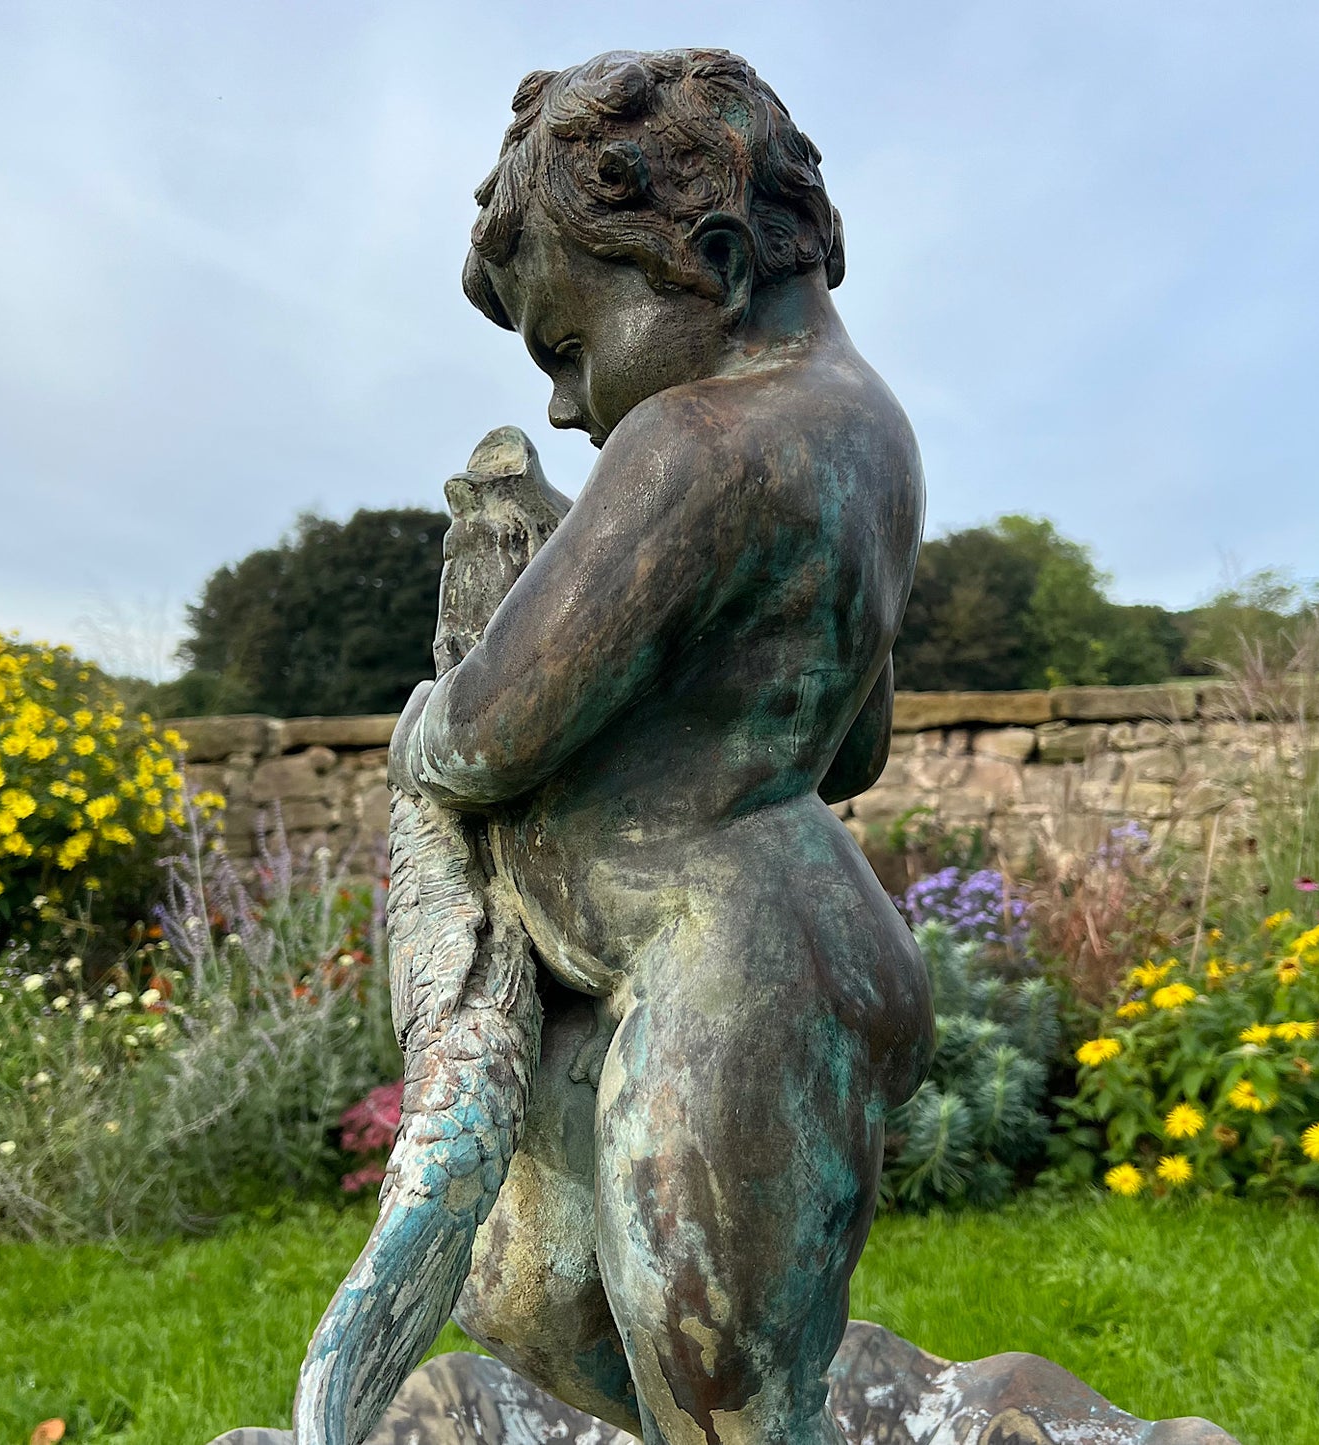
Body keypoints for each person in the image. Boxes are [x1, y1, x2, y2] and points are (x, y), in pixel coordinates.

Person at [389, 49, 934, 1445]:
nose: (568, 406)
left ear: (702, 259)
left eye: (569, 346)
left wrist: (424, 719)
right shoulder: (867, 440)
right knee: (523, 1296)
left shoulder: (694, 439)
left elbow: (488, 729)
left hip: (730, 978)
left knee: (719, 1398)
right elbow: (851, 745)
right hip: (780, 936)